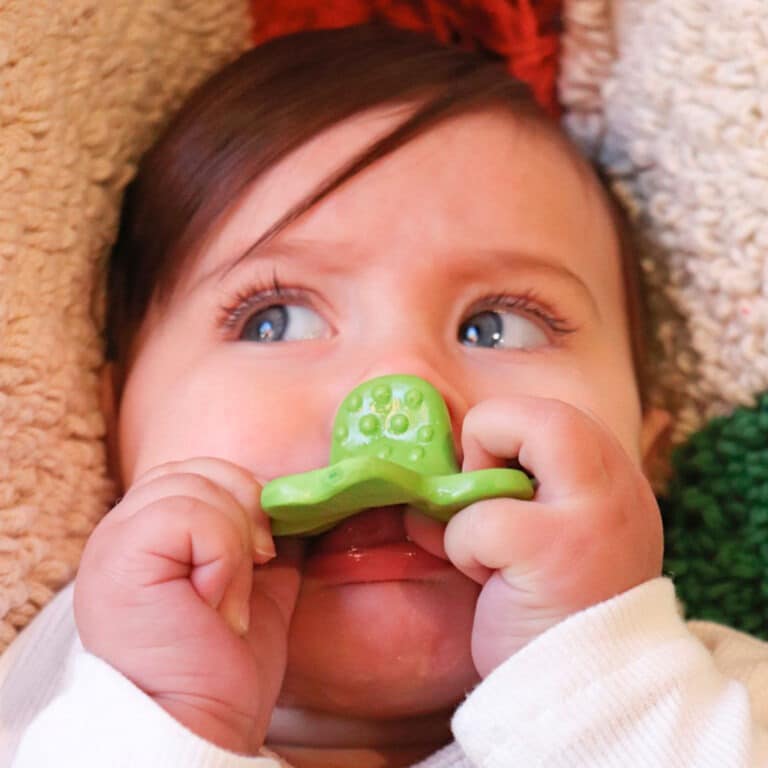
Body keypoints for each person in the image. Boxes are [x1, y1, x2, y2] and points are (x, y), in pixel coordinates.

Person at [2, 23, 768, 768]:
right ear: (111, 428)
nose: (400, 386)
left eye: (497, 327)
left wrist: (594, 691)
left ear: (646, 460)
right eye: (275, 320)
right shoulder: (73, 699)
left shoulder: (717, 709)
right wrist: (170, 723)